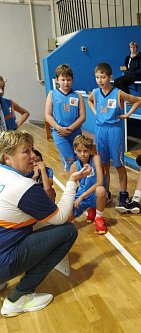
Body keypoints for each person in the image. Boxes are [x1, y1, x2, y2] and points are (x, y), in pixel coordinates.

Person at [0, 130, 90, 317]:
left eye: (32, 150)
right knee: (67, 231)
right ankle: (19, 298)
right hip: (3, 262)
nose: (33, 156)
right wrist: (72, 182)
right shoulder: (23, 187)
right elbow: (60, 217)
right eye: (26, 151)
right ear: (7, 158)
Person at [88, 63, 141, 208]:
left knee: (118, 164)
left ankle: (123, 195)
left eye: (103, 77)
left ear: (110, 77)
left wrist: (128, 114)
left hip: (114, 130)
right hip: (100, 130)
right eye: (97, 77)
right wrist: (95, 112)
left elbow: (137, 101)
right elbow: (89, 100)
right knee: (103, 165)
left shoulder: (118, 93)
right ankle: (106, 192)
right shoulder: (95, 92)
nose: (100, 80)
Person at [45, 64, 86, 178]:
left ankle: (81, 186)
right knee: (70, 160)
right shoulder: (52, 94)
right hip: (59, 134)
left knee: (80, 160)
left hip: (76, 133)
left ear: (72, 80)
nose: (66, 83)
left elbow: (82, 117)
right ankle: (72, 188)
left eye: (68, 80)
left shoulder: (78, 95)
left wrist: (70, 128)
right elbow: (48, 115)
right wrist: (59, 128)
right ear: (57, 80)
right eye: (63, 80)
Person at [70, 135, 107, 235]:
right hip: (83, 194)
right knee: (67, 218)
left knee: (101, 189)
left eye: (86, 151)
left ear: (91, 150)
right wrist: (71, 203)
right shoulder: (74, 166)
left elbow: (100, 182)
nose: (82, 154)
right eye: (79, 151)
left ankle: (99, 217)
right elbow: (71, 188)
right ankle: (90, 208)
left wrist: (82, 196)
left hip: (94, 193)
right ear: (75, 150)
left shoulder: (96, 159)